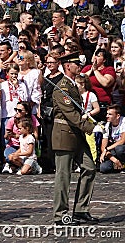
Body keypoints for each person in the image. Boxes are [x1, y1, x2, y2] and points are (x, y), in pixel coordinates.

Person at [52, 51, 100, 226]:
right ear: (67, 66)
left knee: (89, 168)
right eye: (76, 65)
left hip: (77, 135)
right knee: (63, 177)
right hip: (65, 134)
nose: (79, 67)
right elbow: (70, 114)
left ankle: (81, 209)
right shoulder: (62, 87)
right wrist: (89, 127)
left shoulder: (72, 86)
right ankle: (60, 215)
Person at [2, 101, 39, 173]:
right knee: (9, 156)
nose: (17, 112)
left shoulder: (32, 119)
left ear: (26, 112)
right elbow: (6, 136)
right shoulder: (12, 120)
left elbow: (36, 135)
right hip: (14, 145)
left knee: (23, 169)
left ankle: (30, 166)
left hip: (26, 146)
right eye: (16, 110)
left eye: (20, 110)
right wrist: (10, 135)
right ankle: (18, 166)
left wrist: (25, 136)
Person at [81, 48, 116, 121]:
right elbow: (80, 79)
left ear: (104, 60)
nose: (96, 57)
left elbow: (106, 83)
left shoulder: (109, 69)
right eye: (95, 55)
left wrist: (95, 70)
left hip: (102, 105)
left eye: (99, 56)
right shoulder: (87, 68)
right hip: (87, 104)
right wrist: (91, 70)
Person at [75, 74, 100, 163]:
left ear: (83, 84)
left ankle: (93, 160)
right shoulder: (75, 95)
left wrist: (88, 114)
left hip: (88, 120)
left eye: (76, 84)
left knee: (90, 141)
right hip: (78, 119)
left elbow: (97, 108)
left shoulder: (91, 95)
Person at [99, 104, 125, 173]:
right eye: (107, 114)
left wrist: (106, 149)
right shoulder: (107, 125)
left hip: (122, 148)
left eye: (110, 114)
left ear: (117, 116)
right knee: (103, 168)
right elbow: (103, 147)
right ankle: (119, 166)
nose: (106, 116)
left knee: (119, 149)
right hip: (114, 149)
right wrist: (114, 160)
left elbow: (122, 140)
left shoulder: (123, 122)